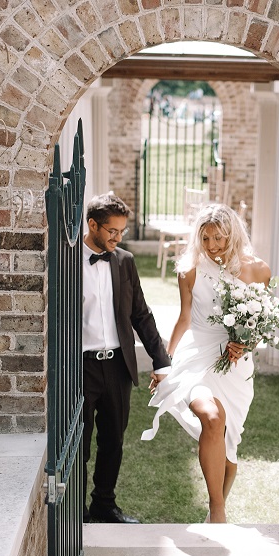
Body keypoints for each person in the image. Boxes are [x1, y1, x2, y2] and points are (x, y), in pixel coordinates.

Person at [142, 203, 271, 523]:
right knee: (212, 418)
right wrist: (164, 363)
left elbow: (261, 325)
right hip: (196, 354)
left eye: (219, 239)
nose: (212, 246)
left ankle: (217, 509)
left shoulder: (258, 270)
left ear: (234, 236)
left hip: (236, 365)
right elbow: (184, 318)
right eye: (206, 238)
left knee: (230, 442)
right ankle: (217, 512)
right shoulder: (190, 270)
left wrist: (246, 345)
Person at [82, 193, 171, 523]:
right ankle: (76, 511)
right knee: (79, 443)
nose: (117, 238)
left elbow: (141, 315)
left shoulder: (124, 261)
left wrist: (161, 361)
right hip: (82, 367)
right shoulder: (68, 261)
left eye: (122, 231)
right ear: (92, 225)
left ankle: (104, 505)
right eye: (111, 231)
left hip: (118, 365)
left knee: (113, 440)